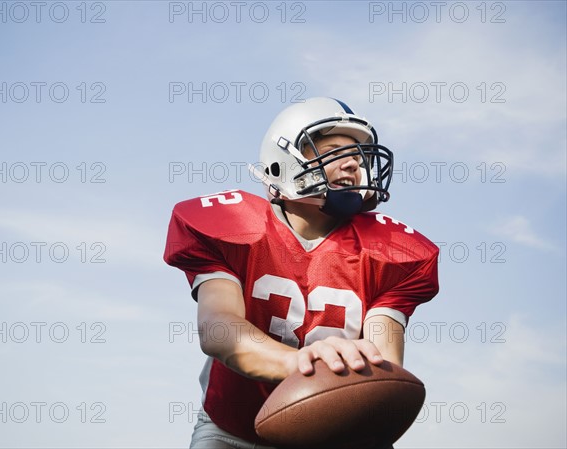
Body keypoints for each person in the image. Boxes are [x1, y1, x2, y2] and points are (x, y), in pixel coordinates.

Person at [164, 97, 439, 448]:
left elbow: (381, 364)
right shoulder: (234, 225)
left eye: (357, 154)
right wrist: (299, 362)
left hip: (331, 431)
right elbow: (219, 330)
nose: (353, 162)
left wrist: (361, 397)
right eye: (334, 150)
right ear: (284, 164)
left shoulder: (392, 252)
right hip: (231, 429)